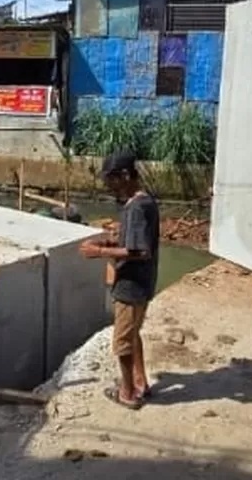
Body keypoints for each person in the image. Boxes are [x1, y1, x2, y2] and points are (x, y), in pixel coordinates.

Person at [79, 150, 160, 410]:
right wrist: (111, 242)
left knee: (122, 341)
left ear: (125, 176)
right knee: (133, 334)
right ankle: (140, 382)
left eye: (111, 180)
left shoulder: (136, 207)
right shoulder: (145, 201)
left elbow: (141, 251)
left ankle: (127, 393)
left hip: (130, 284)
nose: (109, 186)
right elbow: (136, 242)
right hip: (144, 282)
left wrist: (99, 252)